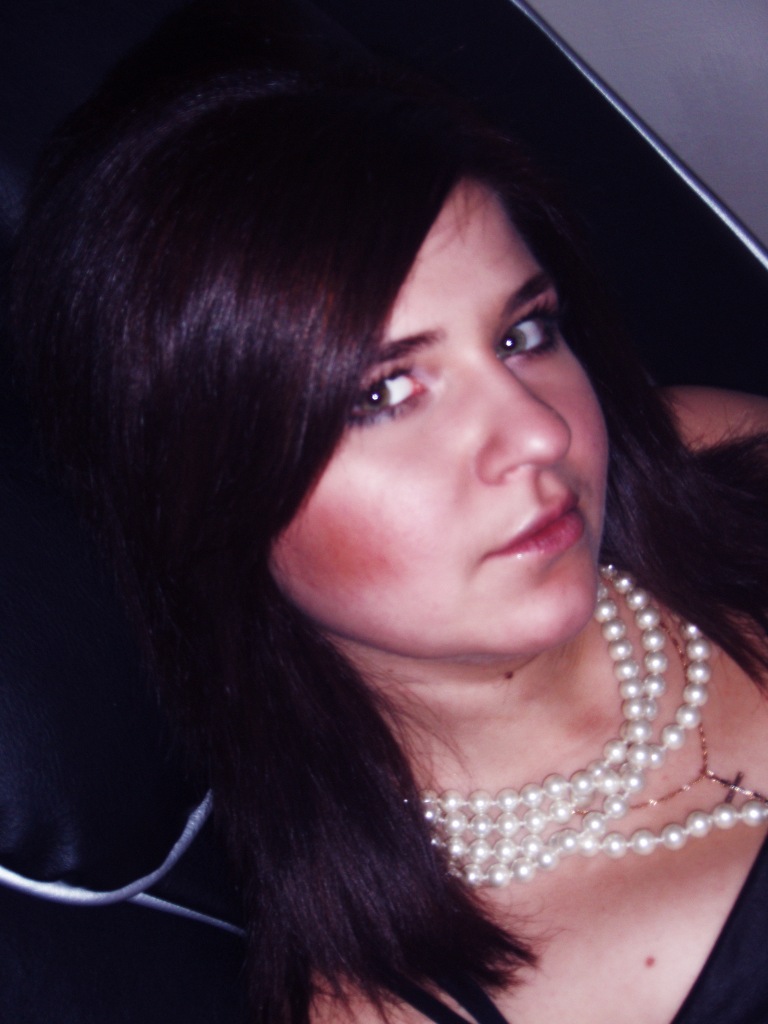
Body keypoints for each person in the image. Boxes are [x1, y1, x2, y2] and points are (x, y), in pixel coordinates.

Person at [10, 47, 768, 1024]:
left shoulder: (707, 451)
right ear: (206, 499)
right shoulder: (387, 1010)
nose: (539, 433)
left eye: (521, 335)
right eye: (382, 394)